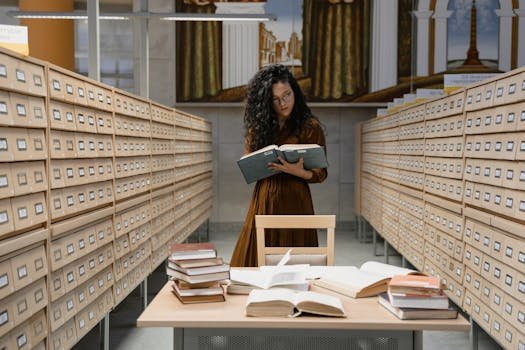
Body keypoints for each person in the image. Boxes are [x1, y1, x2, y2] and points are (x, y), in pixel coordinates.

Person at [230, 64, 328, 267]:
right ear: (266, 102)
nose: (283, 103)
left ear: (295, 93)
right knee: (254, 261)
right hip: (265, 198)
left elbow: (321, 173)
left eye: (287, 95)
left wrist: (299, 171)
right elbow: (248, 163)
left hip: (296, 199)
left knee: (298, 262)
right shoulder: (258, 127)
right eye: (275, 99)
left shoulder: (310, 127)